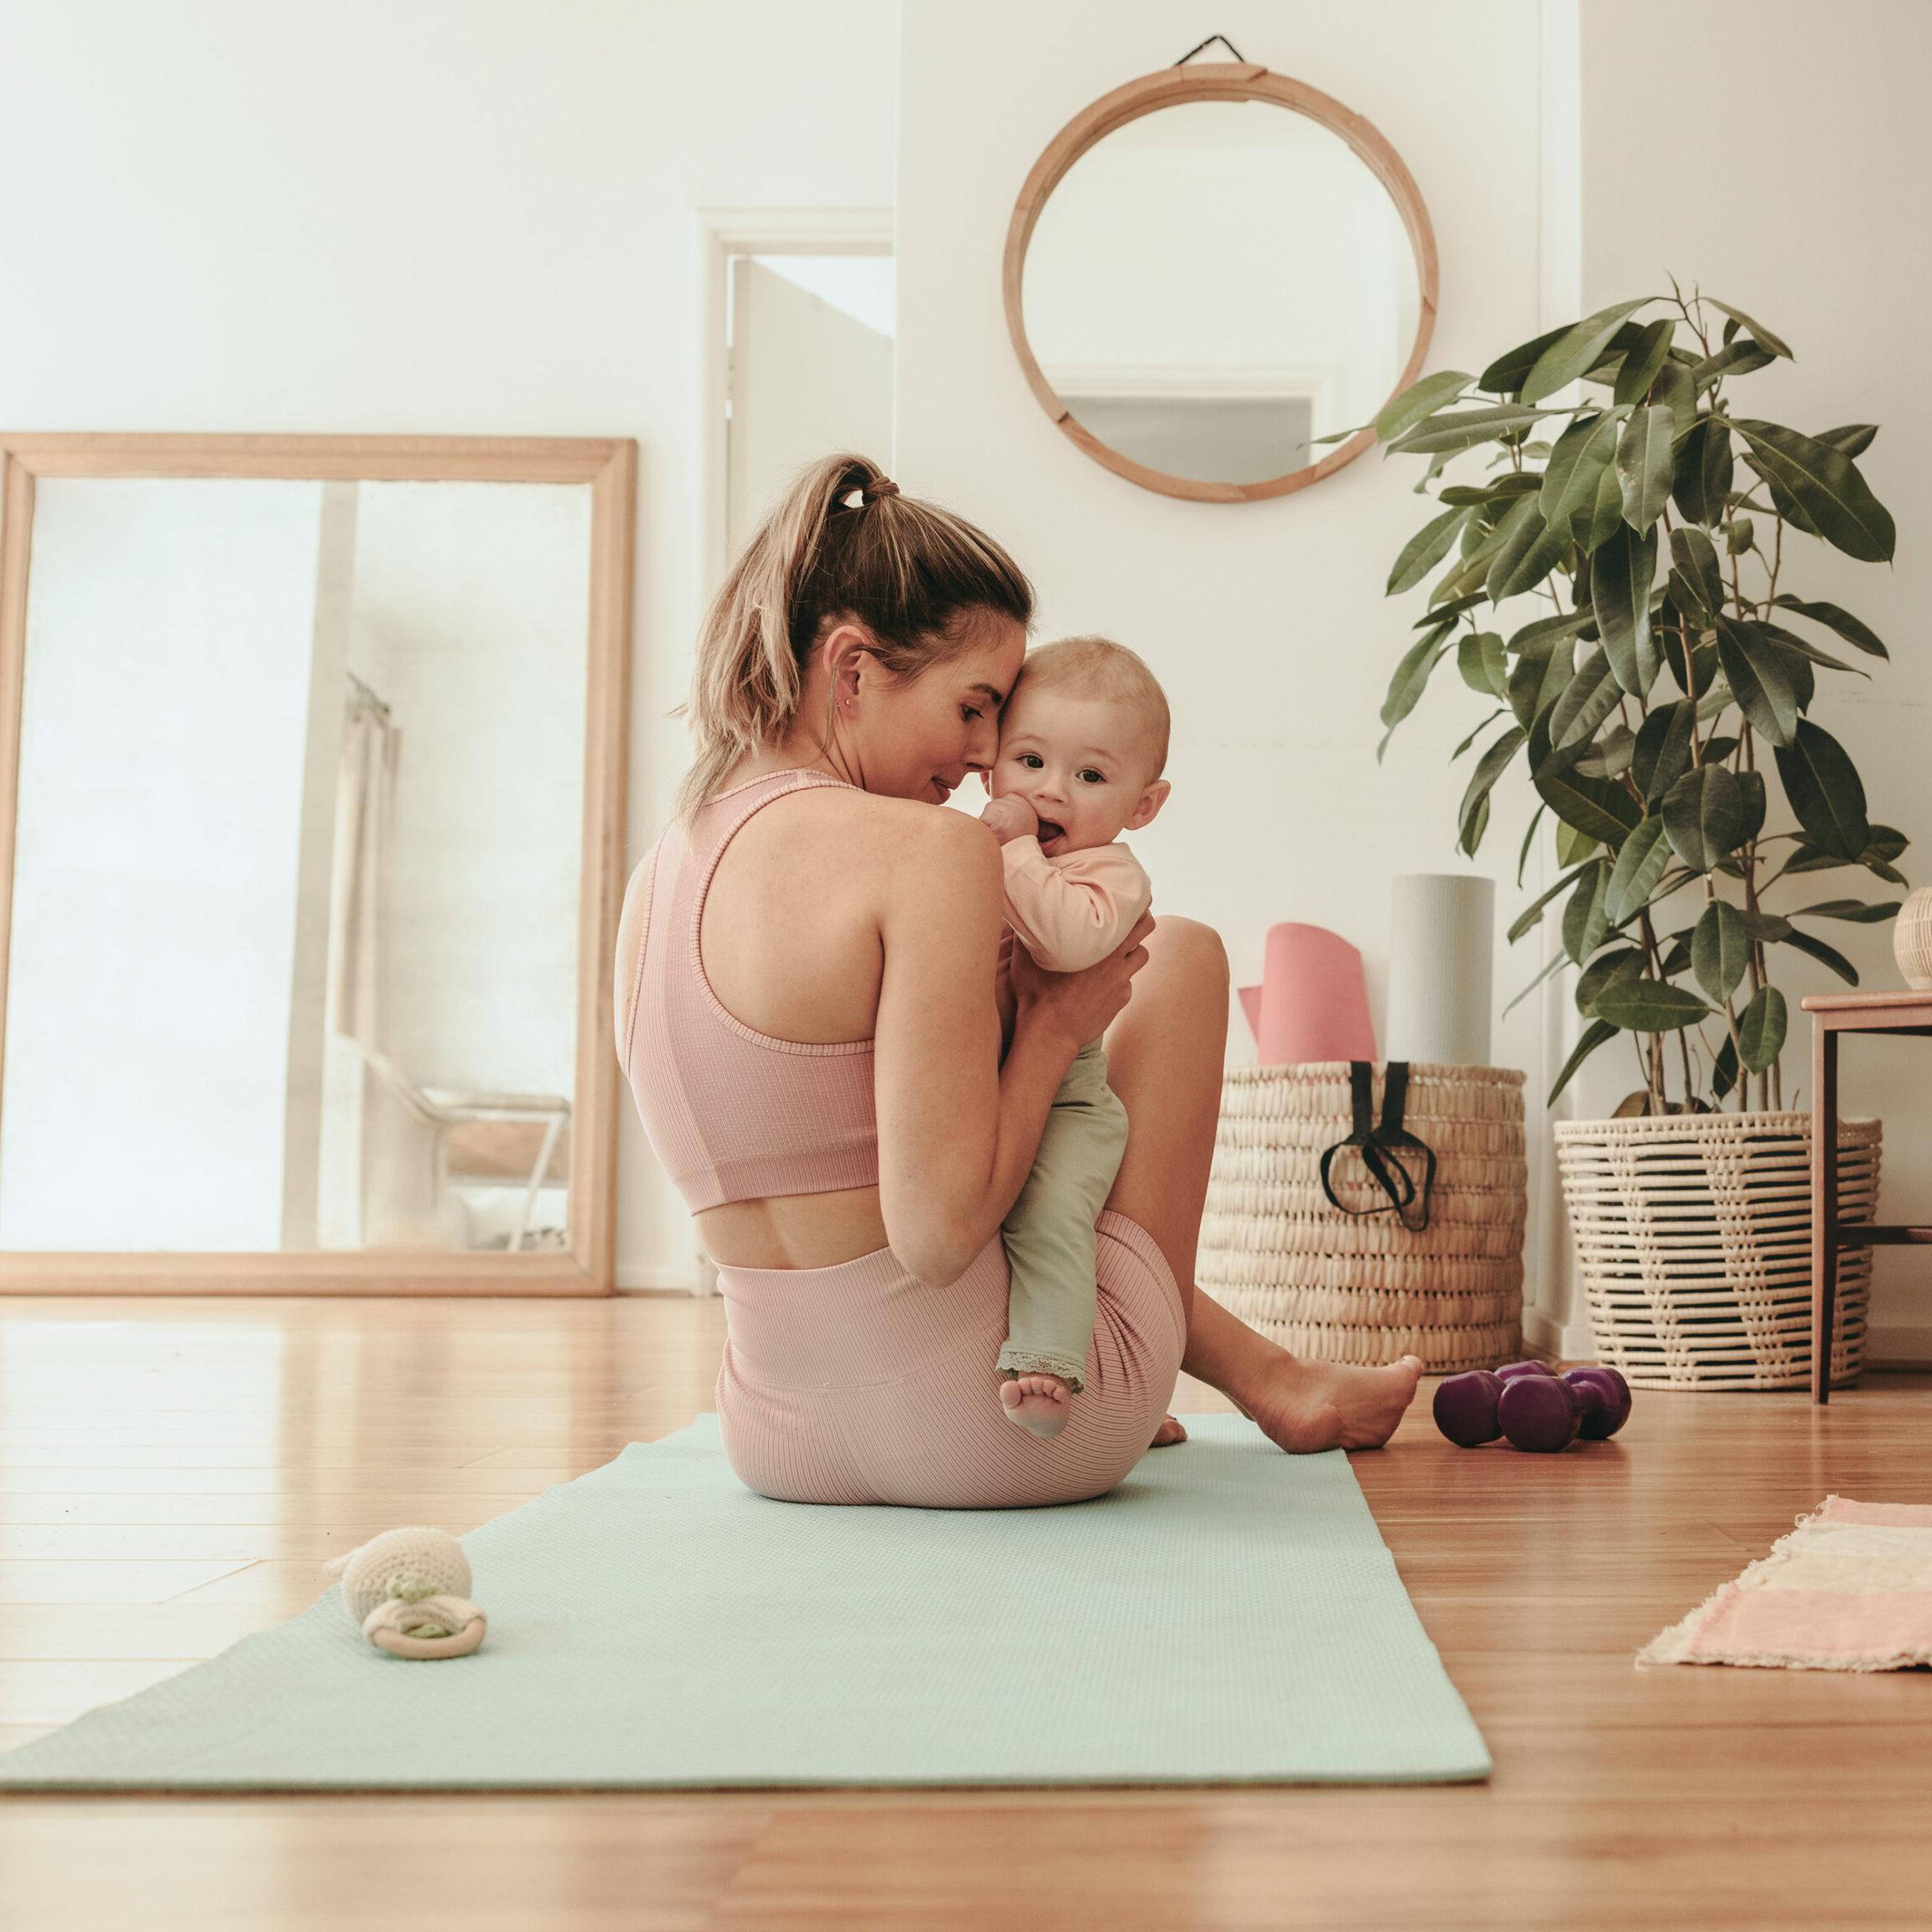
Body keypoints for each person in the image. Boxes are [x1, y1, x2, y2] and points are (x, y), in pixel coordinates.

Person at [614, 453, 1420, 1509]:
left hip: (774, 1439)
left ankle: (1266, 1376)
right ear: (852, 669)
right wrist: (1050, 1025)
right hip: (999, 1435)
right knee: (1178, 952)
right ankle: (1187, 1366)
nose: (991, 754)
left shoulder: (660, 868)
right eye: (976, 706)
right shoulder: (922, 851)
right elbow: (939, 1240)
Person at [974, 635, 1170, 1441]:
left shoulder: (1108, 876)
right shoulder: (972, 850)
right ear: (990, 766)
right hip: (982, 1085)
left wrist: (1011, 845)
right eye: (1029, 762)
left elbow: (1066, 945)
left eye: (1089, 776)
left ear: (1142, 806)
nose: (1051, 792)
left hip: (1068, 1107)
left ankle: (1049, 1364)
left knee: (1048, 1215)